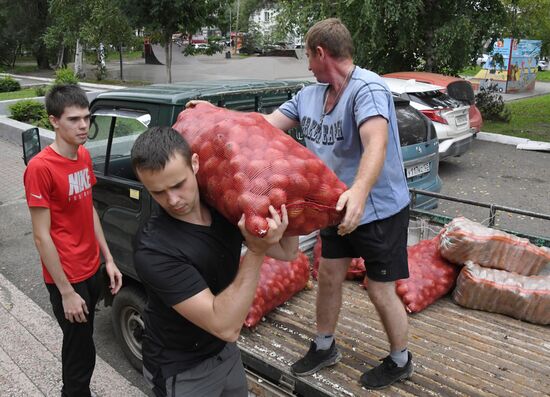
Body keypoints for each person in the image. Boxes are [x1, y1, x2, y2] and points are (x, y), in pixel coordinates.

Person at [263, 18, 413, 389]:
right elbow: (265, 124)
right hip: (336, 208)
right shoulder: (308, 95)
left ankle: (400, 359)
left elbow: (376, 143)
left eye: (308, 58)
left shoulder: (368, 89)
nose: (307, 66)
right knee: (329, 275)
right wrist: (216, 117)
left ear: (321, 52)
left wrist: (359, 192)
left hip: (379, 210)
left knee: (379, 289)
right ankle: (325, 345)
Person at [131, 126, 298, 397]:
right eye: (158, 192)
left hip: (225, 352)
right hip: (182, 370)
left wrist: (284, 206)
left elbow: (287, 253)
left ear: (195, 164)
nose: (172, 200)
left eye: (178, 185)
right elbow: (226, 326)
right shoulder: (154, 249)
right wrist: (255, 252)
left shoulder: (223, 205)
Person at [23, 84, 123, 397]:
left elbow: (88, 207)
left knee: (84, 342)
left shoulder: (82, 155)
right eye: (74, 119)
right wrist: (66, 291)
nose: (83, 126)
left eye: (87, 118)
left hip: (93, 268)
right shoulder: (40, 168)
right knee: (79, 355)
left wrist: (108, 259)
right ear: (54, 121)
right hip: (68, 278)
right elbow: (41, 236)